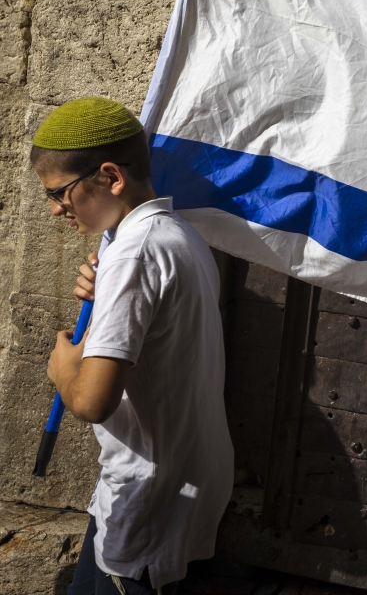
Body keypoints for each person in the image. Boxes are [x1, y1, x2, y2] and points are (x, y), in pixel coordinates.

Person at [32, 97, 233, 595]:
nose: (57, 209)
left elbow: (90, 401)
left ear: (110, 177)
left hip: (149, 494)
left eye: (59, 193)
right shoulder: (176, 235)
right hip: (167, 479)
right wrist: (107, 301)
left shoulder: (134, 253)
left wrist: (63, 368)